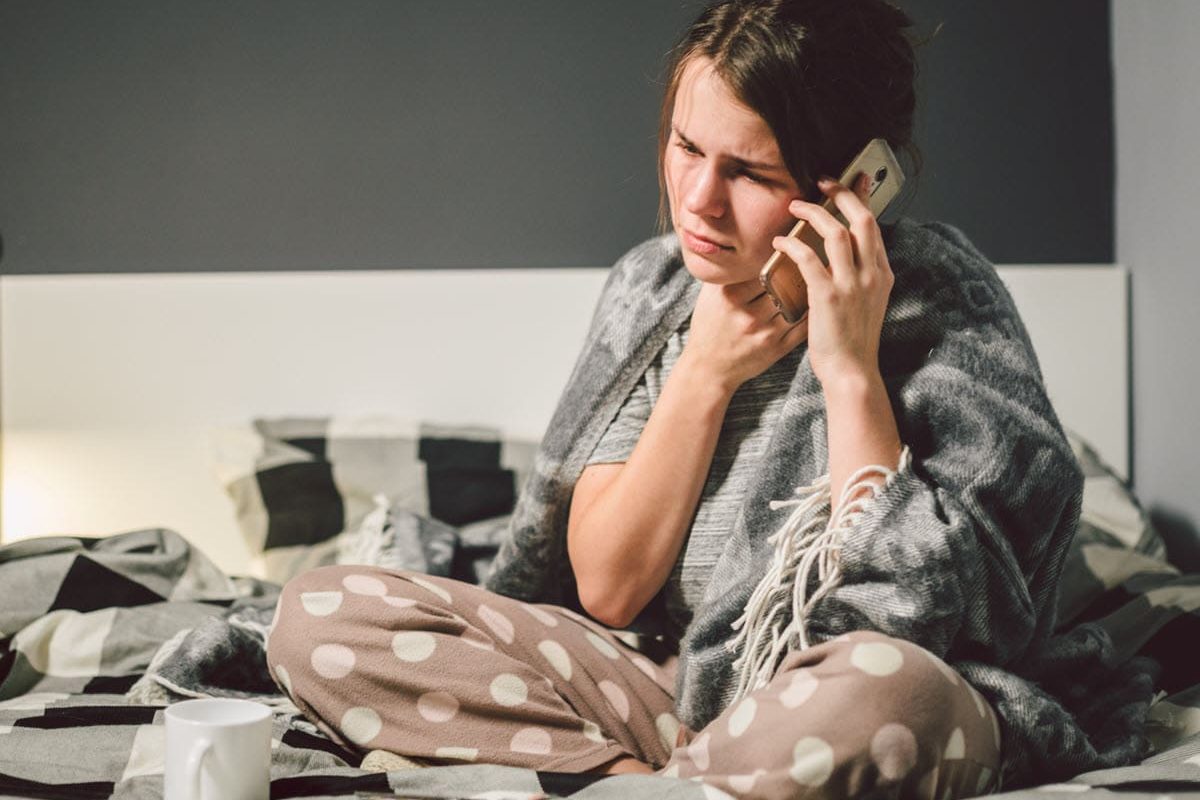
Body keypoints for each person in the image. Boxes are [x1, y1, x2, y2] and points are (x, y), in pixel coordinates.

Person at [267, 1, 1150, 798]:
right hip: (660, 686)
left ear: (852, 184)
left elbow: (922, 613)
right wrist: (703, 375)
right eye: (688, 147)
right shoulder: (650, 294)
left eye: (751, 173)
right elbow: (607, 592)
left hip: (837, 696)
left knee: (896, 694)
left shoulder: (945, 303)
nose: (697, 201)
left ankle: (647, 783)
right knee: (318, 616)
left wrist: (849, 369)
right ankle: (650, 788)